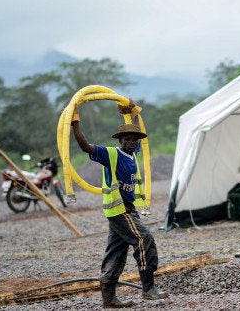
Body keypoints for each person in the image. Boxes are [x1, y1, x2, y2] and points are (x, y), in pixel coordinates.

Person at [71, 101, 168, 308]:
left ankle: (108, 299)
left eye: (134, 139)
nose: (132, 142)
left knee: (116, 251)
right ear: (121, 140)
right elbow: (85, 147)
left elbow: (138, 131)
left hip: (128, 209)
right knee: (144, 240)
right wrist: (74, 123)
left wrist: (133, 113)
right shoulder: (111, 154)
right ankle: (148, 289)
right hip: (119, 210)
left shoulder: (133, 153)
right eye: (128, 139)